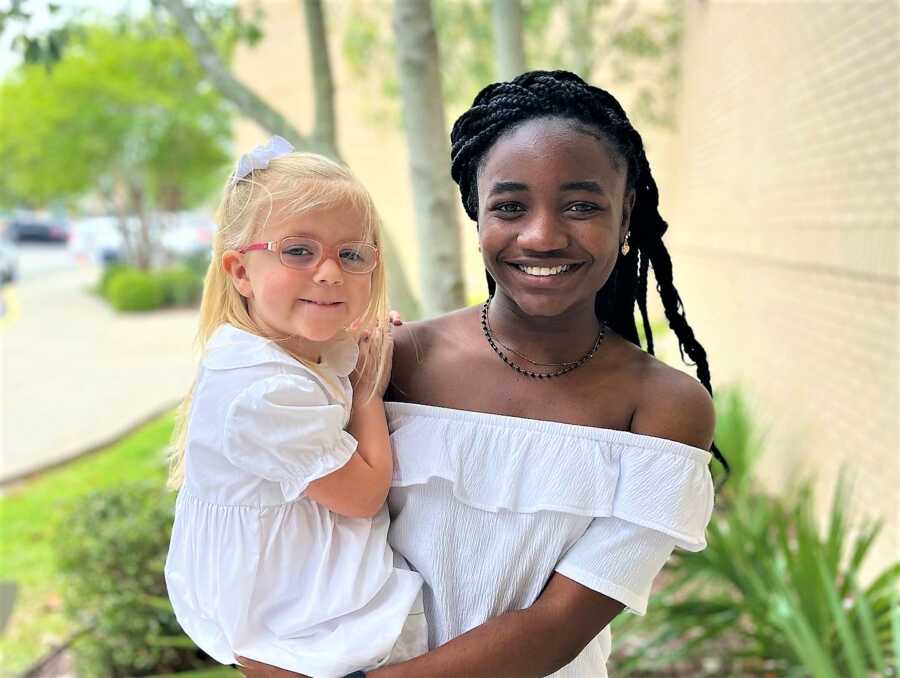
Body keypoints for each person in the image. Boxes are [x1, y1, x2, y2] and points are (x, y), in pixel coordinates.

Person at [240, 70, 723, 678]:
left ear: (626, 215)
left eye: (581, 205)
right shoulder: (393, 362)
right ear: (476, 212)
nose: (543, 235)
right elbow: (276, 521)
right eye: (510, 206)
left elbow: (554, 629)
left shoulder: (664, 408)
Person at [164, 137, 427, 678]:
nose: (330, 273)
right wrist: (368, 391)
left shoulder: (284, 348)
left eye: (351, 255)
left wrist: (356, 347)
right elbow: (361, 494)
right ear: (240, 272)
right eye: (298, 251)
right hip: (300, 630)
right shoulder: (262, 391)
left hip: (297, 612)